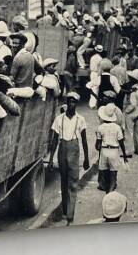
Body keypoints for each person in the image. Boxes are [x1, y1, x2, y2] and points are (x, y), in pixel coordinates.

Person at [49, 91, 91, 224]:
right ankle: (65, 210)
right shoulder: (59, 118)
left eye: (74, 102)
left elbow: (84, 140)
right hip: (62, 149)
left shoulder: (80, 119)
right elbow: (55, 139)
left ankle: (70, 216)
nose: (71, 104)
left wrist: (86, 158)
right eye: (69, 101)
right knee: (64, 181)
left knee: (73, 183)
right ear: (66, 103)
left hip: (74, 149)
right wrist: (51, 159)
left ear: (76, 104)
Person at [95, 103, 129, 193]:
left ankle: (106, 190)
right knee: (113, 175)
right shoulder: (117, 128)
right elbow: (121, 142)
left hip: (104, 150)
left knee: (105, 173)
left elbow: (97, 145)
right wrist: (124, 155)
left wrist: (99, 142)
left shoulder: (100, 128)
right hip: (114, 151)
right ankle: (110, 192)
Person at [124, 69, 138, 155]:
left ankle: (128, 151)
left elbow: (133, 104)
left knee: (128, 132)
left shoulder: (133, 90)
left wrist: (126, 111)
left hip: (131, 112)